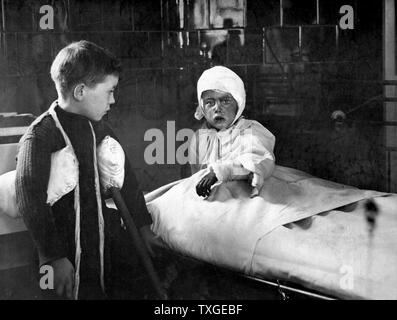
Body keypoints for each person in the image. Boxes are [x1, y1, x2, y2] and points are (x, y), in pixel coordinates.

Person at [15, 40, 160, 300]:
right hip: (61, 250)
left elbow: (128, 183)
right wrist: (53, 256)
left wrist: (143, 227)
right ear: (81, 91)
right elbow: (30, 199)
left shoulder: (101, 128)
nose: (113, 100)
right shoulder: (41, 135)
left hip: (100, 241)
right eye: (109, 91)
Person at [189, 66, 275, 198]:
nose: (217, 108)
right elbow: (196, 176)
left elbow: (257, 160)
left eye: (225, 101)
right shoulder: (200, 138)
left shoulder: (250, 131)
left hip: (244, 195)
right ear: (202, 107)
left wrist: (221, 171)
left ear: (238, 103)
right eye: (209, 102)